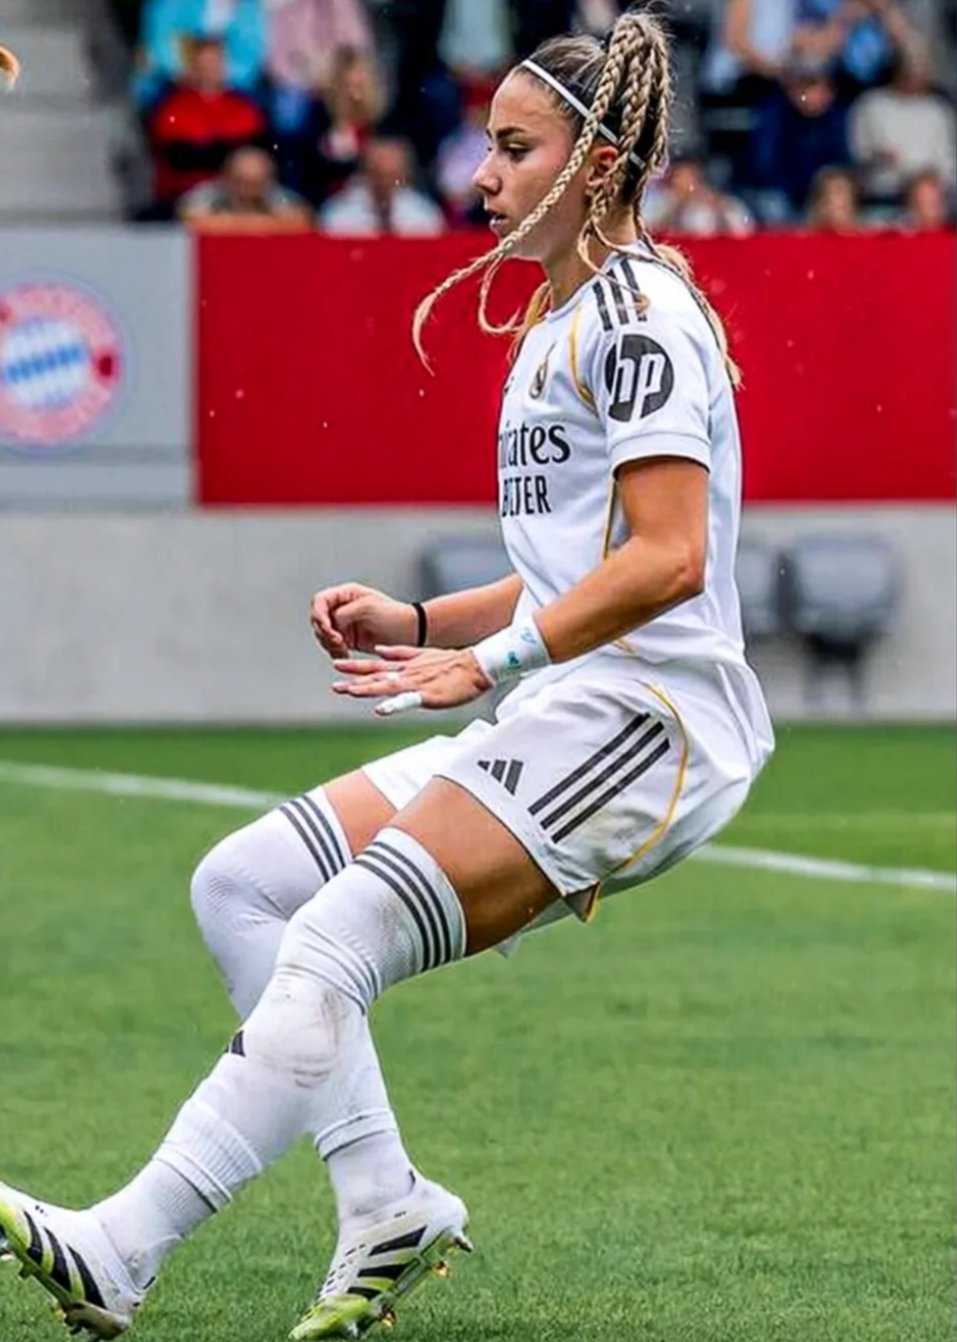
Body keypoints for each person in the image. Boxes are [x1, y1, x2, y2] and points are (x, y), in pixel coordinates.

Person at [0, 10, 774, 1341]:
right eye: (487, 146)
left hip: (648, 723)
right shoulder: (557, 317)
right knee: (243, 884)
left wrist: (490, 659)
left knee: (330, 939)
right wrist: (421, 617)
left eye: (515, 149)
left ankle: (120, 1248)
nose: (482, 173)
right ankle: (385, 1202)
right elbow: (566, 565)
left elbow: (669, 558)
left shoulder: (639, 317)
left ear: (598, 165)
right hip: (566, 702)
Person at [148, 35, 267, 211]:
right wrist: (223, 153)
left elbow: (254, 151)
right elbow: (181, 157)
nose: (210, 69)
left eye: (216, 62)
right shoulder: (173, 108)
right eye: (205, 63)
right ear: (193, 66)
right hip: (191, 191)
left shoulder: (243, 107)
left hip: (243, 191)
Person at [849, 38, 956, 205]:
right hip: (883, 196)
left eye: (920, 73)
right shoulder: (871, 105)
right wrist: (880, 157)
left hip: (928, 201)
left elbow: (948, 162)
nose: (914, 78)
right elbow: (858, 154)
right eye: (909, 72)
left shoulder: (938, 111)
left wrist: (926, 181)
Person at [317, 135, 446, 236]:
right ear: (365, 172)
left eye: (392, 175)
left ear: (403, 175)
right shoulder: (338, 213)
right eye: (379, 174)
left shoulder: (424, 213)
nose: (385, 182)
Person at [178, 145, 314, 230]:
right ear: (227, 179)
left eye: (257, 183)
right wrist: (265, 224)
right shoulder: (210, 194)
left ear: (270, 180)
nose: (249, 190)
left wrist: (227, 224)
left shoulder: (277, 195)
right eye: (242, 182)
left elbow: (301, 220)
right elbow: (191, 219)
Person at [642, 155, 754, 237]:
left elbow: (745, 233)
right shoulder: (656, 203)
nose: (685, 185)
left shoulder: (718, 204)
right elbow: (648, 234)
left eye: (690, 178)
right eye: (680, 179)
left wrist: (720, 209)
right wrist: (675, 209)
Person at [805, 164, 865, 230]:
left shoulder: (867, 231)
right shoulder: (805, 234)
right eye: (838, 191)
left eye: (848, 192)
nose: (846, 198)